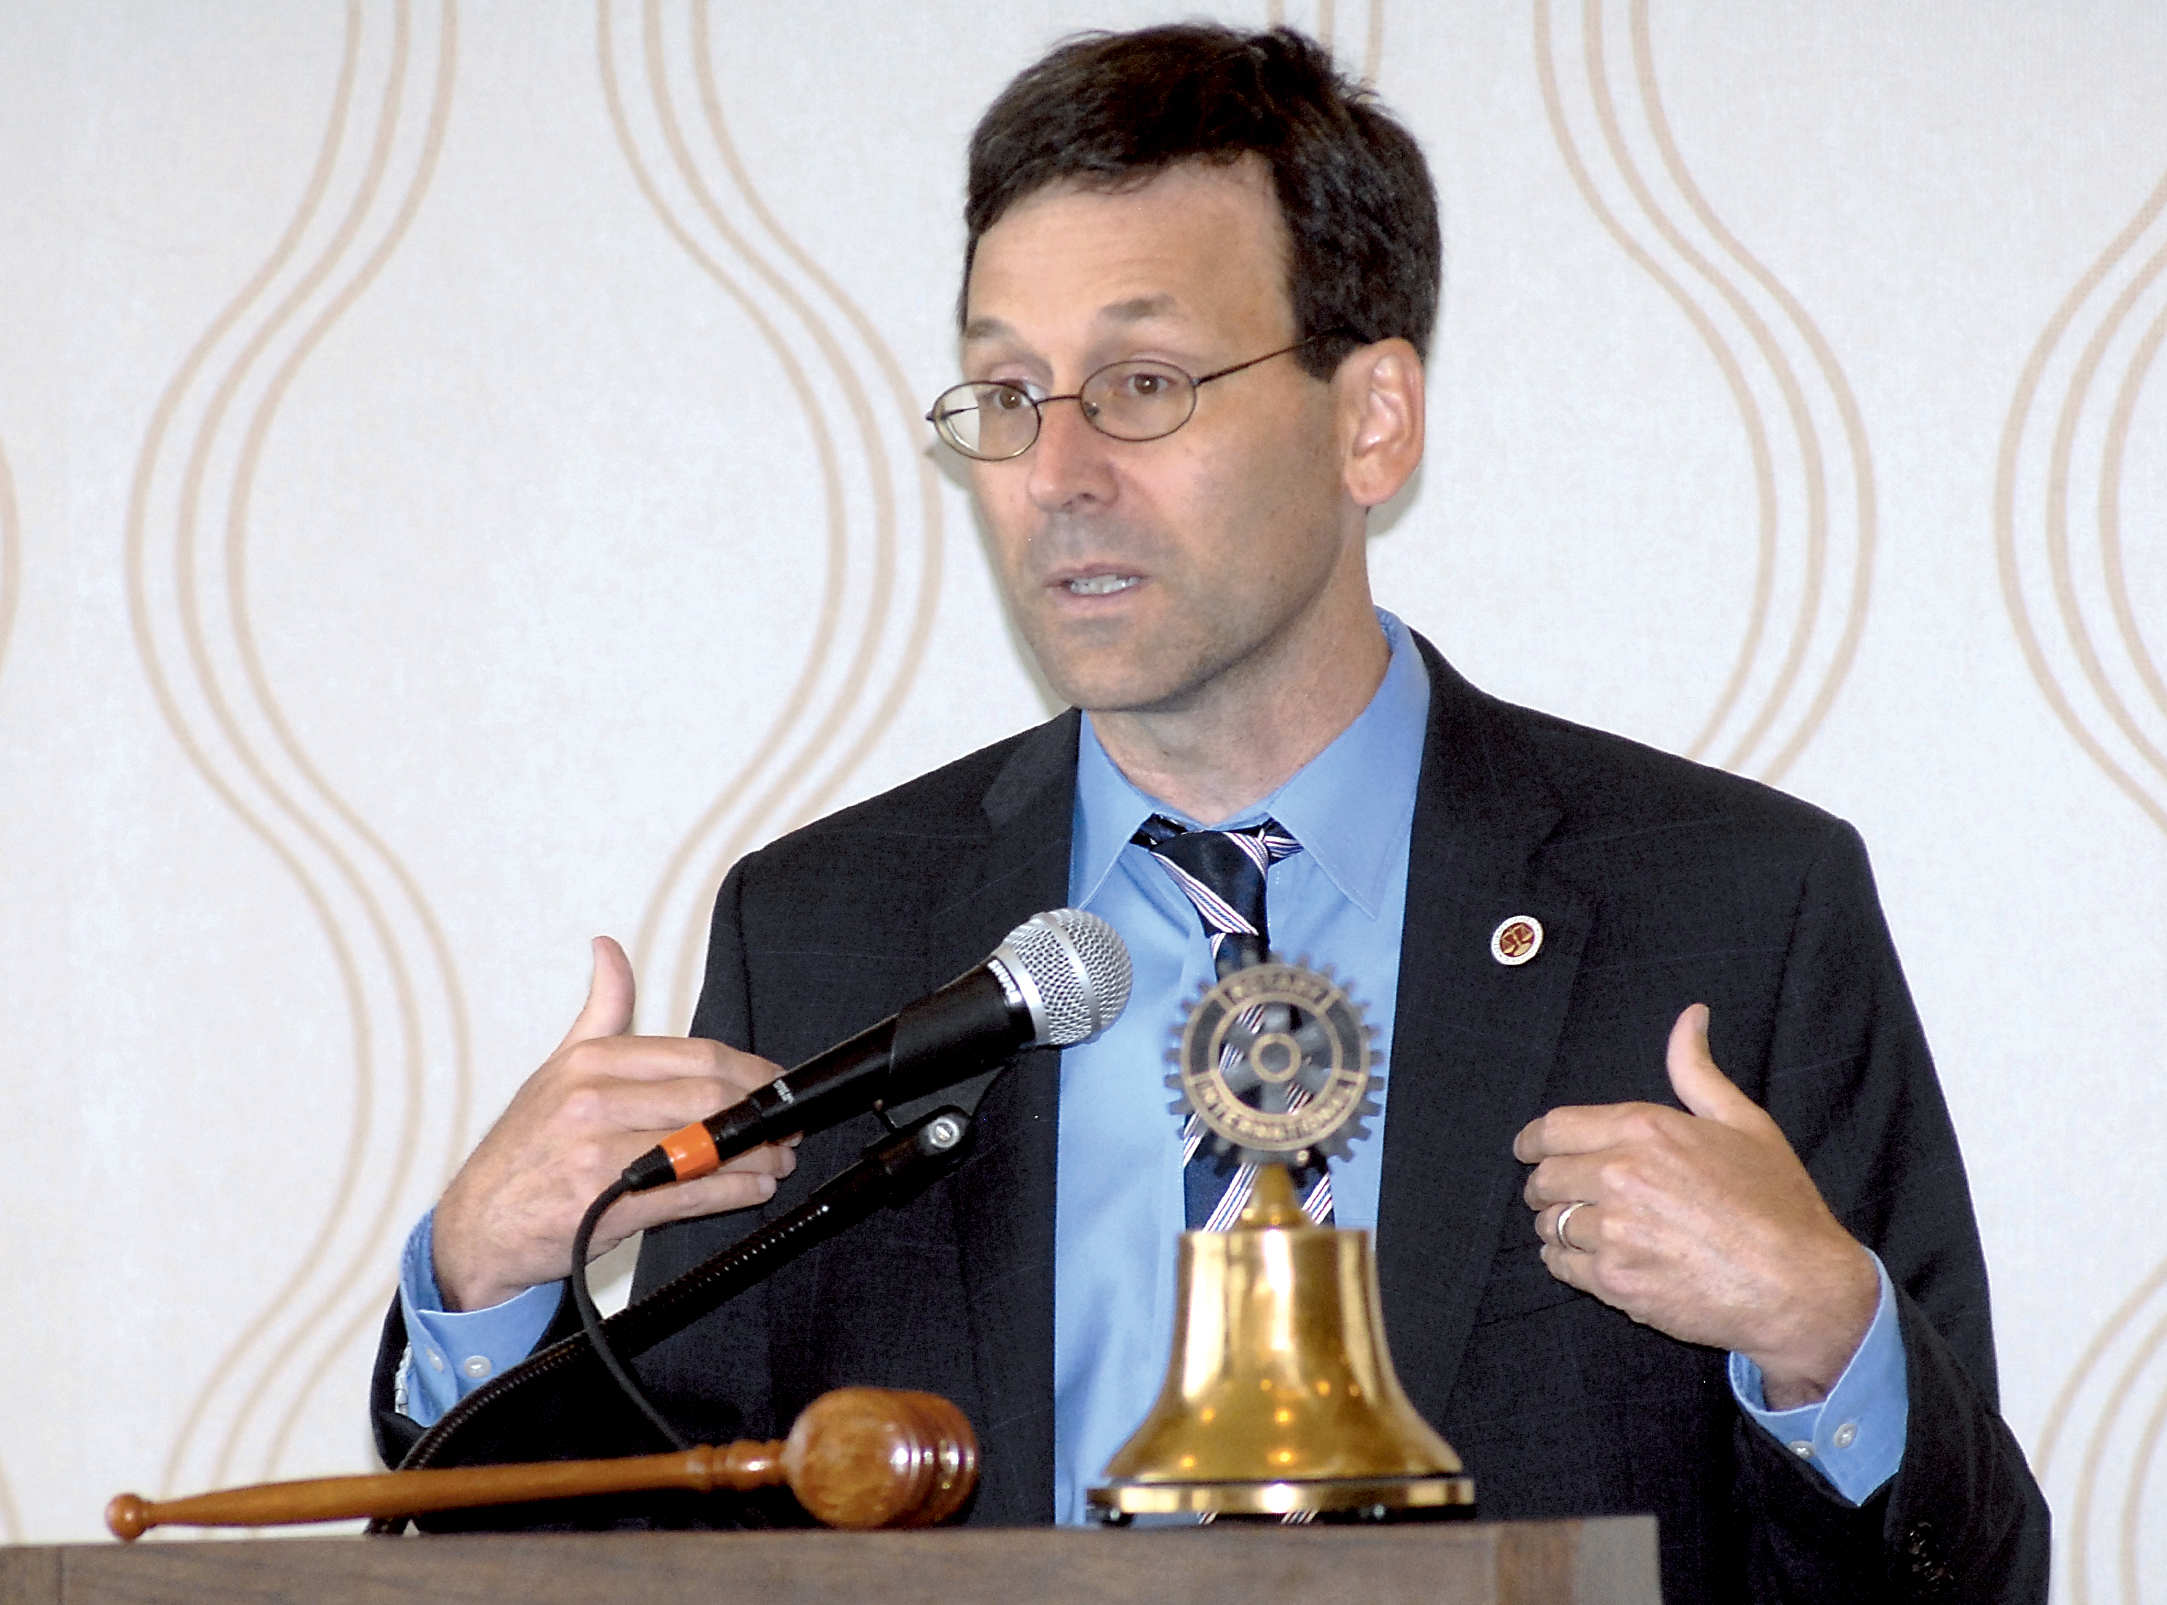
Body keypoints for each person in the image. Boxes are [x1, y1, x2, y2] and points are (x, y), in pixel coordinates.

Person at [372, 23, 2048, 1601]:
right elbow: (665, 1545)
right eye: (1009, 395)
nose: (1059, 469)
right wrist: (488, 1287)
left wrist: (1830, 1340)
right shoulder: (828, 928)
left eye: (1147, 383)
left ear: (1371, 417)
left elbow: (1971, 1576)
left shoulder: (1734, 910)